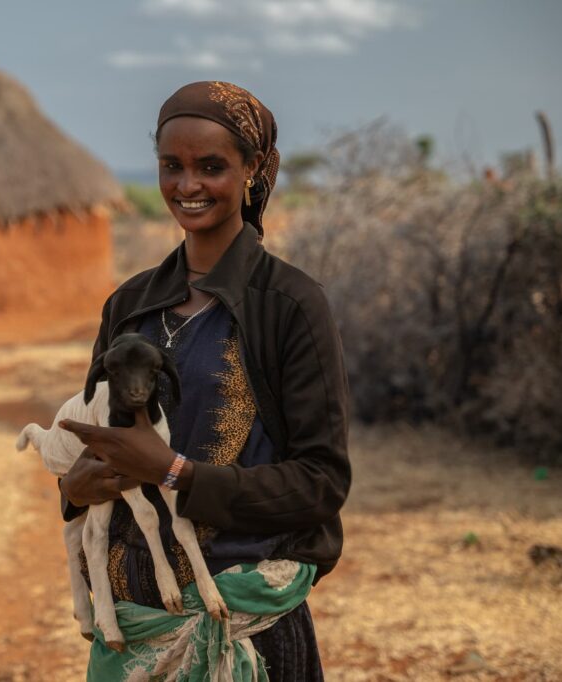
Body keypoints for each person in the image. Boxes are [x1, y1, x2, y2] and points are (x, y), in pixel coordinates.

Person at [58, 81, 350, 680]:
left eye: (210, 166)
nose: (187, 186)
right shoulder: (130, 305)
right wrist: (77, 488)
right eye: (172, 166)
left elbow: (320, 483)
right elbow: (98, 432)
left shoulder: (290, 305)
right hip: (132, 627)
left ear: (253, 171)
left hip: (244, 621)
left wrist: (174, 473)